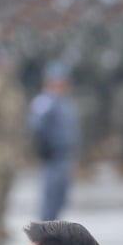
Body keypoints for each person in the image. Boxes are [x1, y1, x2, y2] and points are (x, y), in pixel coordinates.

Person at [27, 63, 79, 221]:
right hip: (52, 157)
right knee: (50, 199)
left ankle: (54, 228)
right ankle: (46, 234)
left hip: (65, 157)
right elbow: (35, 127)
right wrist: (44, 148)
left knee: (61, 198)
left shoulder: (66, 102)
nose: (60, 86)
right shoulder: (44, 101)